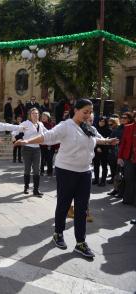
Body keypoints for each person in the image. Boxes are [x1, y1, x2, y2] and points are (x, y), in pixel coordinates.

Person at [15, 99, 119, 259]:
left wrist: (107, 141)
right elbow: (47, 137)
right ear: (75, 110)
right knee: (63, 204)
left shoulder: (88, 127)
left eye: (90, 112)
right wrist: (27, 141)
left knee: (82, 208)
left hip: (85, 172)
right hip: (66, 171)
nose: (88, 115)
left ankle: (80, 242)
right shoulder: (65, 126)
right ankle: (58, 233)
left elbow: (96, 138)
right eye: (85, 111)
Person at [20, 108, 47, 196]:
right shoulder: (25, 123)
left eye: (37, 113)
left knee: (37, 169)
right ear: (30, 115)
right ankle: (26, 187)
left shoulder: (41, 124)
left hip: (37, 149)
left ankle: (36, 189)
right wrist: (14, 138)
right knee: (27, 168)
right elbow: (15, 131)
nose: (35, 115)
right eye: (33, 113)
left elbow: (47, 133)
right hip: (27, 149)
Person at [108, 112, 133, 196]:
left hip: (125, 154)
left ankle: (121, 191)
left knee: (124, 174)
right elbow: (111, 137)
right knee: (116, 173)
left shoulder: (130, 128)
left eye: (125, 117)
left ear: (129, 119)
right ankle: (116, 189)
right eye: (122, 117)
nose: (122, 119)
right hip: (115, 152)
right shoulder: (119, 128)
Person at [117, 116, 136, 205]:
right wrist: (120, 157)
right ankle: (128, 199)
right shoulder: (128, 127)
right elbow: (123, 143)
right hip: (128, 157)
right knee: (129, 178)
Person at [92, 116, 112, 186]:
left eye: (103, 121)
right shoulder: (95, 129)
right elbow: (93, 139)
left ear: (105, 122)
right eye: (100, 121)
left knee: (104, 166)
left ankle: (103, 181)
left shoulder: (109, 130)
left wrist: (101, 147)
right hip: (96, 150)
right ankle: (96, 179)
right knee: (96, 165)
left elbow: (108, 141)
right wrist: (97, 147)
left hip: (105, 151)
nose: (101, 122)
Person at [40, 112, 56, 176]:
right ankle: (41, 171)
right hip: (41, 145)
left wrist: (56, 146)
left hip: (50, 145)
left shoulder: (52, 124)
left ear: (48, 117)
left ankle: (50, 172)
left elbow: (55, 135)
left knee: (49, 159)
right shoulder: (39, 124)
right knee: (42, 159)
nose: (43, 117)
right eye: (42, 116)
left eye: (45, 116)